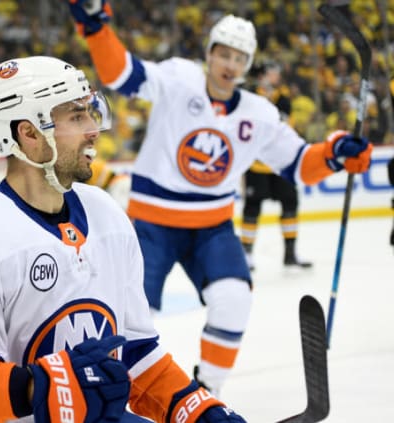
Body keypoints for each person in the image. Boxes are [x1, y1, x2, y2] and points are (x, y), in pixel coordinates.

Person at [0, 56, 246, 423]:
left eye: (90, 111)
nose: (93, 128)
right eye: (75, 116)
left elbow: (134, 350)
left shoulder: (107, 214)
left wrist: (194, 408)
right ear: (29, 134)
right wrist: (39, 387)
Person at [66, 0, 372, 396]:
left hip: (212, 226)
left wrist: (335, 154)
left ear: (248, 65)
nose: (230, 63)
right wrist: (97, 30)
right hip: (150, 225)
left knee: (233, 299)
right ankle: (117, 393)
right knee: (132, 315)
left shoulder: (259, 113)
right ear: (209, 54)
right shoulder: (179, 78)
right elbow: (122, 73)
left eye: (240, 57)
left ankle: (207, 391)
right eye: (223, 53)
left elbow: (299, 163)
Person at [241, 62, 311, 270]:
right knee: (252, 207)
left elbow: (280, 122)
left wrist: (269, 98)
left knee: (290, 203)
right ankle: (246, 253)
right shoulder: (250, 96)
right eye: (272, 72)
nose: (276, 76)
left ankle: (290, 253)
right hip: (256, 163)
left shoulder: (283, 98)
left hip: (281, 162)